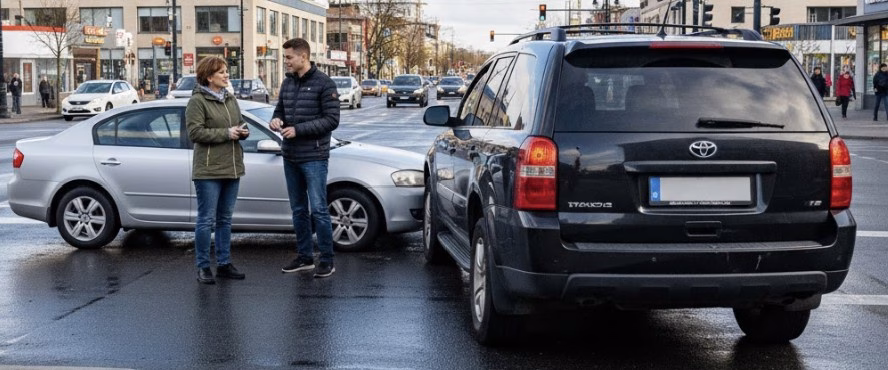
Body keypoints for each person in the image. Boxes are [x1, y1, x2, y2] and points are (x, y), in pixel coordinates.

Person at [270, 38, 340, 278]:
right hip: (290, 155)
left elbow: (332, 120)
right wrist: (276, 120)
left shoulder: (324, 83)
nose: (286, 62)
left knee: (319, 209)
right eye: (285, 58)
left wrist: (298, 130)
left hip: (314, 156)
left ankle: (327, 260)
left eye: (289, 57)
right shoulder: (288, 83)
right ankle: (305, 257)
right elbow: (280, 110)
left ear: (303, 56)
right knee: (298, 209)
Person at [185, 56, 249, 284]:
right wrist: (226, 133)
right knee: (206, 220)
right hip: (209, 170)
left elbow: (240, 123)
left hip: (232, 167)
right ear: (209, 77)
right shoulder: (197, 101)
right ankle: (203, 267)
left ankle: (224, 264)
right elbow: (195, 133)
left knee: (225, 219)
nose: (226, 75)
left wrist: (243, 131)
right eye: (221, 72)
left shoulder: (230, 98)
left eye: (226, 71)